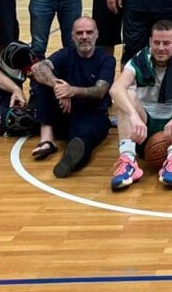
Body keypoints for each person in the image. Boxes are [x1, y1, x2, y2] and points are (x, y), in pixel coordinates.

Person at [108, 20, 172, 190]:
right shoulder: (139, 60)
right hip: (142, 131)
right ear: (150, 41)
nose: (161, 48)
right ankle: (128, 162)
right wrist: (133, 115)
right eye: (156, 42)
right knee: (127, 95)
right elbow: (115, 88)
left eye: (166, 43)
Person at [28, 17, 115, 178]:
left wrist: (72, 91)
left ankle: (70, 160)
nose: (84, 37)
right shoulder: (65, 54)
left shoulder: (106, 59)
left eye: (89, 32)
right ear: (73, 36)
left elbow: (100, 91)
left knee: (83, 138)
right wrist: (57, 86)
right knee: (42, 79)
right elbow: (37, 67)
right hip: (65, 113)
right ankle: (47, 139)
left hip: (93, 115)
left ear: (97, 34)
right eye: (79, 33)